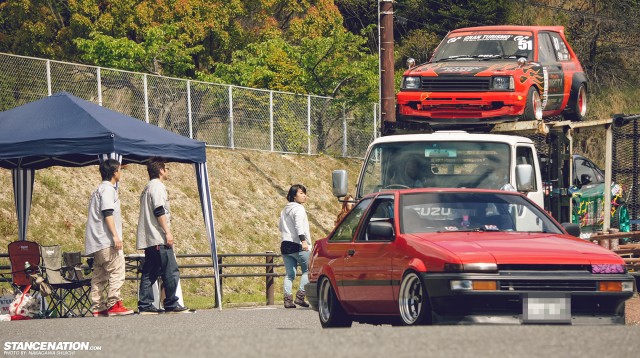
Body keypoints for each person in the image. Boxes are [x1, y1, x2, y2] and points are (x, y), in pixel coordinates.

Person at [136, 158, 189, 314]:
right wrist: (167, 232)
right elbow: (159, 210)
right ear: (160, 170)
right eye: (166, 168)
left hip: (149, 238)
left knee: (150, 271)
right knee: (171, 270)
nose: (167, 171)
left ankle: (145, 304)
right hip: (159, 236)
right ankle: (171, 302)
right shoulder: (158, 187)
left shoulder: (146, 188)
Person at [85, 159, 134, 317]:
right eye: (119, 170)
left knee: (99, 275)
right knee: (117, 271)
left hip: (96, 242)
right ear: (114, 173)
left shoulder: (97, 190)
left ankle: (97, 306)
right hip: (107, 240)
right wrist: (115, 236)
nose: (121, 172)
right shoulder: (108, 190)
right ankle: (114, 303)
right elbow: (108, 212)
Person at [278, 184, 312, 308]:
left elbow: (280, 227)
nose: (304, 196)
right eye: (301, 193)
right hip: (298, 244)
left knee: (289, 274)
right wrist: (303, 241)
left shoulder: (284, 210)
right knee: (309, 270)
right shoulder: (299, 208)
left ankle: (287, 300)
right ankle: (300, 296)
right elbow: (299, 226)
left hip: (285, 244)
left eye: (305, 193)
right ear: (293, 196)